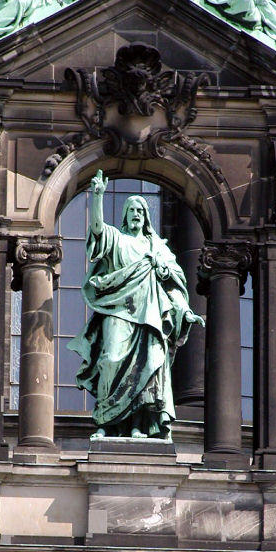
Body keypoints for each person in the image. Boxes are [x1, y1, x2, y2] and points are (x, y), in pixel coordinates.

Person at [69, 170, 204, 440]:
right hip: (117, 311)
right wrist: (97, 197)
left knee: (150, 366)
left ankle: (139, 425)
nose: (136, 214)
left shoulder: (158, 247)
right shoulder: (117, 240)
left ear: (146, 218)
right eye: (131, 210)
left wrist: (186, 311)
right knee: (110, 361)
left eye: (140, 211)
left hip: (151, 317)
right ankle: (107, 424)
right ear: (124, 215)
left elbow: (174, 284)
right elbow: (97, 231)